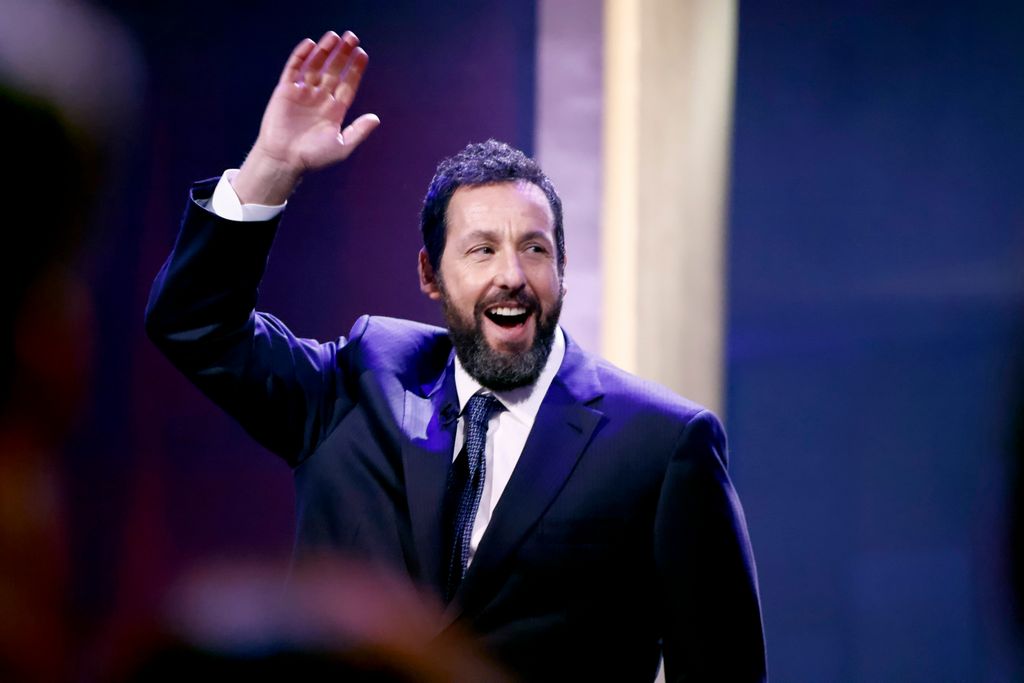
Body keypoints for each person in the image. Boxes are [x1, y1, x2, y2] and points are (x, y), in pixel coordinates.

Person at [145, 29, 767, 682]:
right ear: (430, 274)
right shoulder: (356, 382)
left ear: (562, 269)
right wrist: (273, 162)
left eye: (534, 248)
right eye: (481, 249)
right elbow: (195, 324)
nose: (512, 275)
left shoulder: (661, 443)